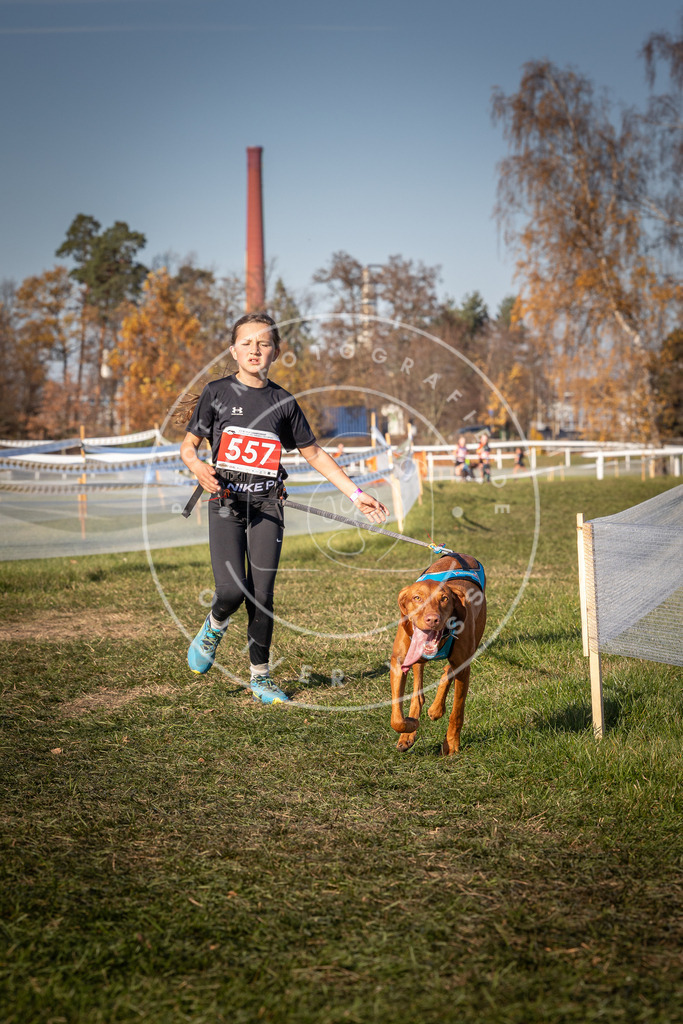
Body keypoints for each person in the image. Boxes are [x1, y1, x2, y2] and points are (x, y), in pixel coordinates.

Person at [178, 313, 388, 704]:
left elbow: (314, 453)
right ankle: (214, 624)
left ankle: (260, 678)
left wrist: (355, 494)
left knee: (261, 593)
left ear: (275, 352)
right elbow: (188, 446)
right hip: (225, 504)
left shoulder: (283, 402)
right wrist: (197, 466)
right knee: (230, 590)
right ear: (233, 350)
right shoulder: (216, 392)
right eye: (247, 343)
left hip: (268, 506)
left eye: (264, 343)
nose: (255, 350)